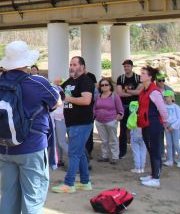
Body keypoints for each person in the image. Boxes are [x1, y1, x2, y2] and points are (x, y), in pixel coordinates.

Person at [0, 41, 61, 214]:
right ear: (26, 62)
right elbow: (56, 102)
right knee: (32, 199)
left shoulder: (0, 81)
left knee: (8, 197)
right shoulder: (36, 82)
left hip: (4, 146)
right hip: (31, 147)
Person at [52, 56, 95, 194]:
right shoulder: (70, 81)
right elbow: (59, 94)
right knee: (80, 152)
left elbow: (86, 100)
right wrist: (56, 85)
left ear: (82, 67)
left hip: (81, 122)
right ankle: (85, 182)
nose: (71, 66)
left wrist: (67, 98)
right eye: (70, 64)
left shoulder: (86, 81)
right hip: (71, 122)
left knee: (73, 153)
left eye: (75, 64)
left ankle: (69, 183)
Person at [137, 66, 169, 188]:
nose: (141, 75)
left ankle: (156, 178)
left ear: (150, 77)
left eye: (144, 73)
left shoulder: (154, 92)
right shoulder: (144, 91)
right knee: (151, 150)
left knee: (155, 151)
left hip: (154, 125)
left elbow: (162, 109)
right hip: (146, 124)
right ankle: (153, 175)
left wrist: (165, 122)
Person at [93, 78, 124, 165]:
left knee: (113, 139)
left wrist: (116, 118)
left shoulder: (114, 96)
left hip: (111, 121)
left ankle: (115, 157)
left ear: (110, 86)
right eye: (102, 85)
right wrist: (94, 116)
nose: (104, 86)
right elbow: (94, 108)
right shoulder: (98, 96)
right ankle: (104, 156)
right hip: (99, 121)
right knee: (104, 140)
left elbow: (120, 109)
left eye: (106, 84)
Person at [115, 59, 141, 159]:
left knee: (136, 128)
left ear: (132, 67)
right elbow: (119, 93)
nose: (126, 68)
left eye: (128, 66)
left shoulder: (137, 78)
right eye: (125, 66)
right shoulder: (120, 78)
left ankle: (137, 149)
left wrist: (125, 90)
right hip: (124, 106)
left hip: (135, 106)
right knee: (123, 129)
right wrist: (132, 91)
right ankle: (122, 151)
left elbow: (139, 92)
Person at [163, 90, 180, 168]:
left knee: (176, 144)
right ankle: (170, 160)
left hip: (175, 128)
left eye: (167, 97)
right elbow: (163, 117)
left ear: (172, 97)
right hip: (167, 127)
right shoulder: (164, 106)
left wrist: (173, 126)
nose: (166, 98)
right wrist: (165, 125)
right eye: (165, 97)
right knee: (168, 144)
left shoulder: (176, 107)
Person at [50, 78, 67, 167]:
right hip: (54, 120)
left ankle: (77, 160)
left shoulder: (62, 96)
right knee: (56, 141)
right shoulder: (55, 95)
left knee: (62, 142)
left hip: (61, 119)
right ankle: (59, 160)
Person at [128, 101, 146, 174]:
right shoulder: (144, 115)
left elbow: (129, 126)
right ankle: (142, 167)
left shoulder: (132, 116)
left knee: (136, 152)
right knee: (143, 151)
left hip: (135, 135)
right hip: (144, 135)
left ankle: (137, 167)